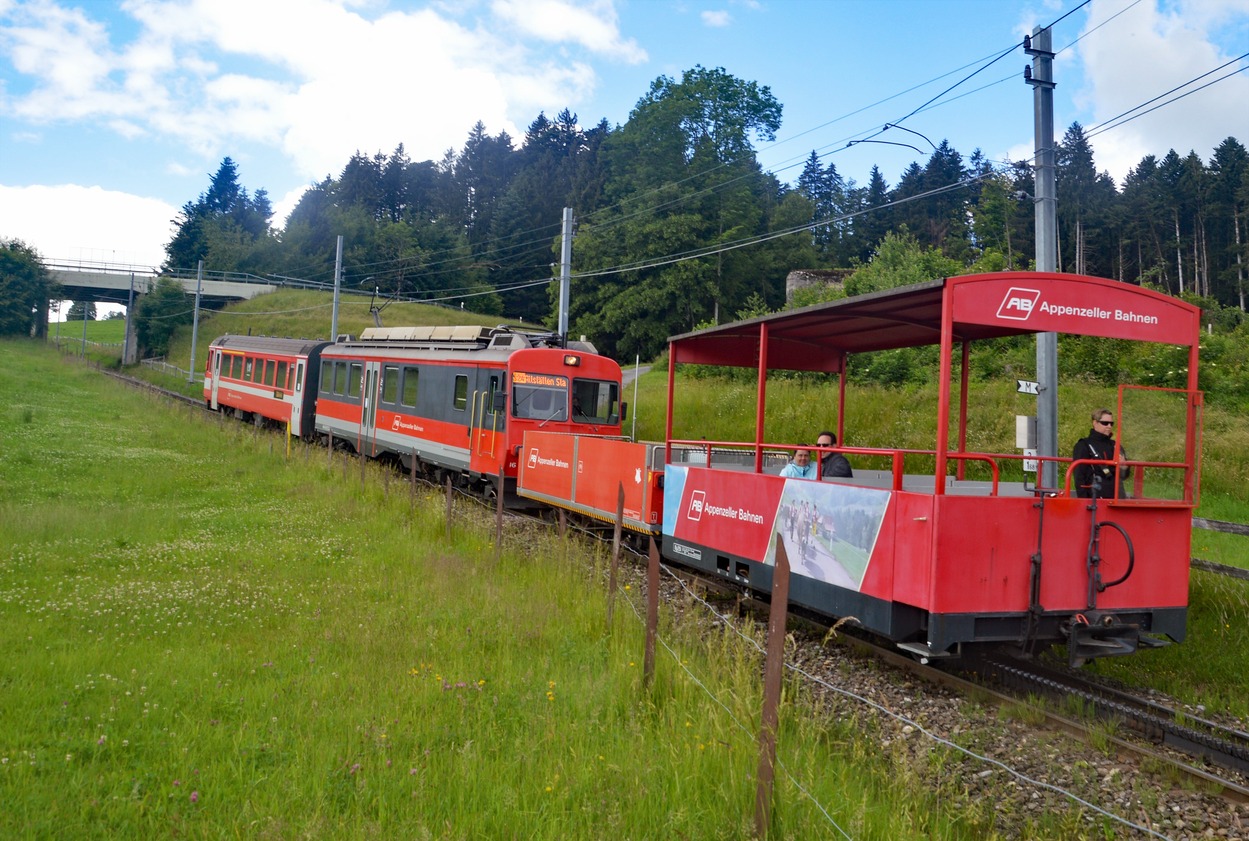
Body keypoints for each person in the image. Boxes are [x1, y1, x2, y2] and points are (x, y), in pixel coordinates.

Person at [1072, 408, 1130, 499]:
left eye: (1111, 423)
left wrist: (1124, 467)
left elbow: (1125, 476)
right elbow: (1079, 477)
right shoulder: (1084, 445)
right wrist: (1083, 501)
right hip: (1095, 499)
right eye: (1105, 423)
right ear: (1095, 423)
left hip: (1117, 498)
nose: (1109, 426)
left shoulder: (1115, 445)